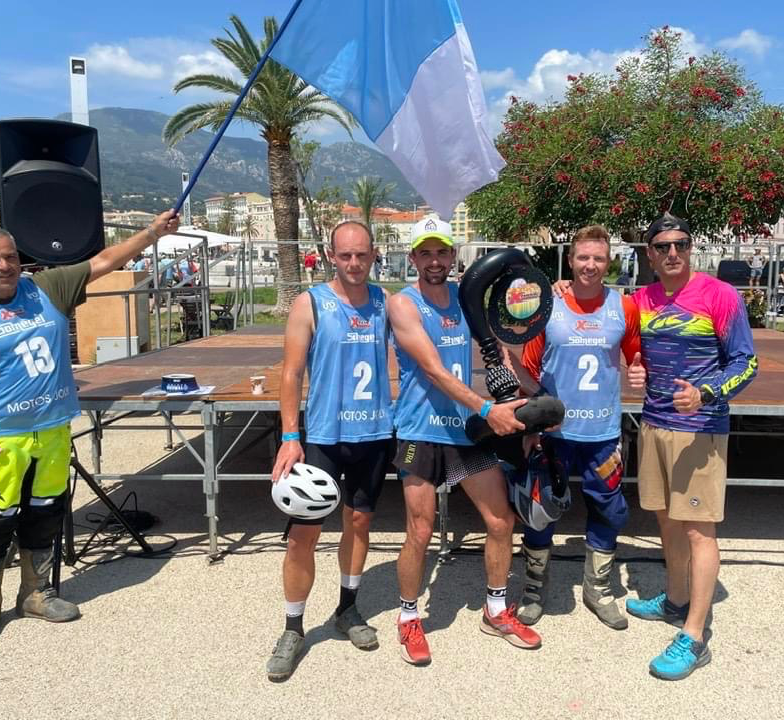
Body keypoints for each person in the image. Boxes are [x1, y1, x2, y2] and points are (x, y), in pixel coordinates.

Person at [0, 211, 180, 644]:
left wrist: (152, 232)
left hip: (52, 431)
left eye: (10, 256)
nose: (4, 266)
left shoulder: (45, 288)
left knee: (45, 513)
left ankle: (36, 593)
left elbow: (105, 261)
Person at [388, 216, 540, 666]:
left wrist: (537, 394)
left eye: (442, 252)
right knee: (420, 530)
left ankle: (495, 610)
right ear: (413, 258)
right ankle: (409, 616)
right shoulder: (403, 304)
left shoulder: (465, 300)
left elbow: (501, 349)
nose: (434, 261)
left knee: (501, 521)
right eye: (425, 253)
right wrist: (488, 410)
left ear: (453, 256)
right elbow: (433, 369)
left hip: (464, 432)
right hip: (421, 432)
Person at [626, 213, 758, 681]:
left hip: (700, 428)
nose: (673, 253)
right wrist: (636, 371)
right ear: (650, 254)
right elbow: (626, 346)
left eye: (680, 244)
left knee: (700, 532)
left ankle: (695, 636)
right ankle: (676, 599)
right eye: (663, 246)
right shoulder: (640, 300)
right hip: (654, 424)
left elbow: (746, 363)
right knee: (666, 519)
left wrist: (706, 393)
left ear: (690, 247)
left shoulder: (720, 295)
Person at [267, 221, 393, 681]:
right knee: (303, 534)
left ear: (374, 254)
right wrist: (290, 437)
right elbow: (291, 373)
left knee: (359, 522)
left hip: (374, 433)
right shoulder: (311, 303)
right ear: (330, 255)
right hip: (323, 436)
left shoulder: (385, 302)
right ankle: (293, 627)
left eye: (361, 255)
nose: (354, 263)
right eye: (345, 255)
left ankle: (347, 608)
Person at [516, 225, 646, 630]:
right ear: (570, 260)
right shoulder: (548, 305)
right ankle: (534, 587)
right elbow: (529, 370)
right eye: (583, 257)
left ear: (609, 263)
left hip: (602, 434)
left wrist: (639, 371)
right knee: (540, 510)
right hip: (553, 432)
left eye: (599, 258)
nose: (590, 265)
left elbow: (635, 356)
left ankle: (598, 587)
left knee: (609, 508)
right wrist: (530, 426)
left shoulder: (624, 307)